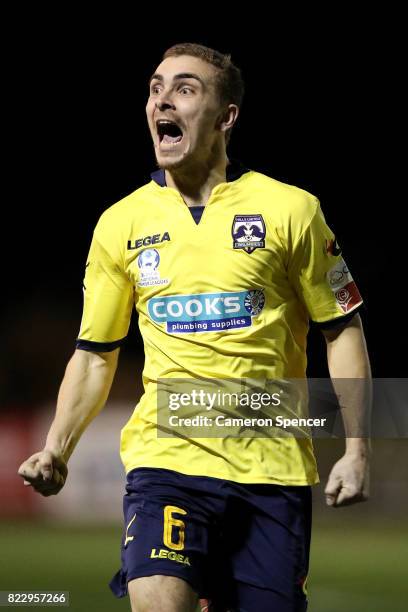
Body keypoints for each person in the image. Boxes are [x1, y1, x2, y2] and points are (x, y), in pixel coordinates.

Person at [18, 43, 371, 612]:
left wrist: (357, 449)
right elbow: (93, 353)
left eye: (185, 88)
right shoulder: (120, 223)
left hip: (272, 468)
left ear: (226, 116)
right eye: (156, 87)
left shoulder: (292, 210)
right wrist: (57, 446)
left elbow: (342, 329)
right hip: (167, 463)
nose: (163, 99)